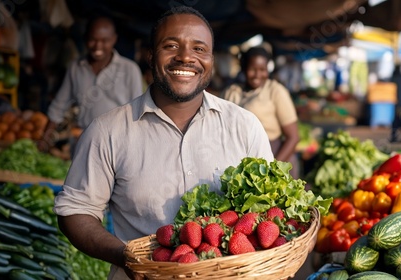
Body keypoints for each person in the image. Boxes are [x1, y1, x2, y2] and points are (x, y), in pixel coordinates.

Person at [53, 6, 274, 280]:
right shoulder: (107, 131)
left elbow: (270, 209)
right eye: (171, 46)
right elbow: (75, 211)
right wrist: (126, 257)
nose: (185, 57)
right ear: (150, 55)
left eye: (199, 49)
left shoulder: (245, 126)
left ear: (211, 60)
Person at [41, 15, 143, 154]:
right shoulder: (76, 67)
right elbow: (59, 106)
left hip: (117, 146)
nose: (98, 46)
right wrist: (46, 137)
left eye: (104, 41)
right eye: (93, 40)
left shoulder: (129, 70)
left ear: (114, 39)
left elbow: (139, 113)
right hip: (83, 144)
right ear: (85, 39)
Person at [222, 47, 300, 178]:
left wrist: (271, 169)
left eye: (262, 70)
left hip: (273, 157)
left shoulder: (275, 91)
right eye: (252, 69)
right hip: (238, 161)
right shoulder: (232, 92)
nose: (258, 75)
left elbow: (293, 137)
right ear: (244, 69)